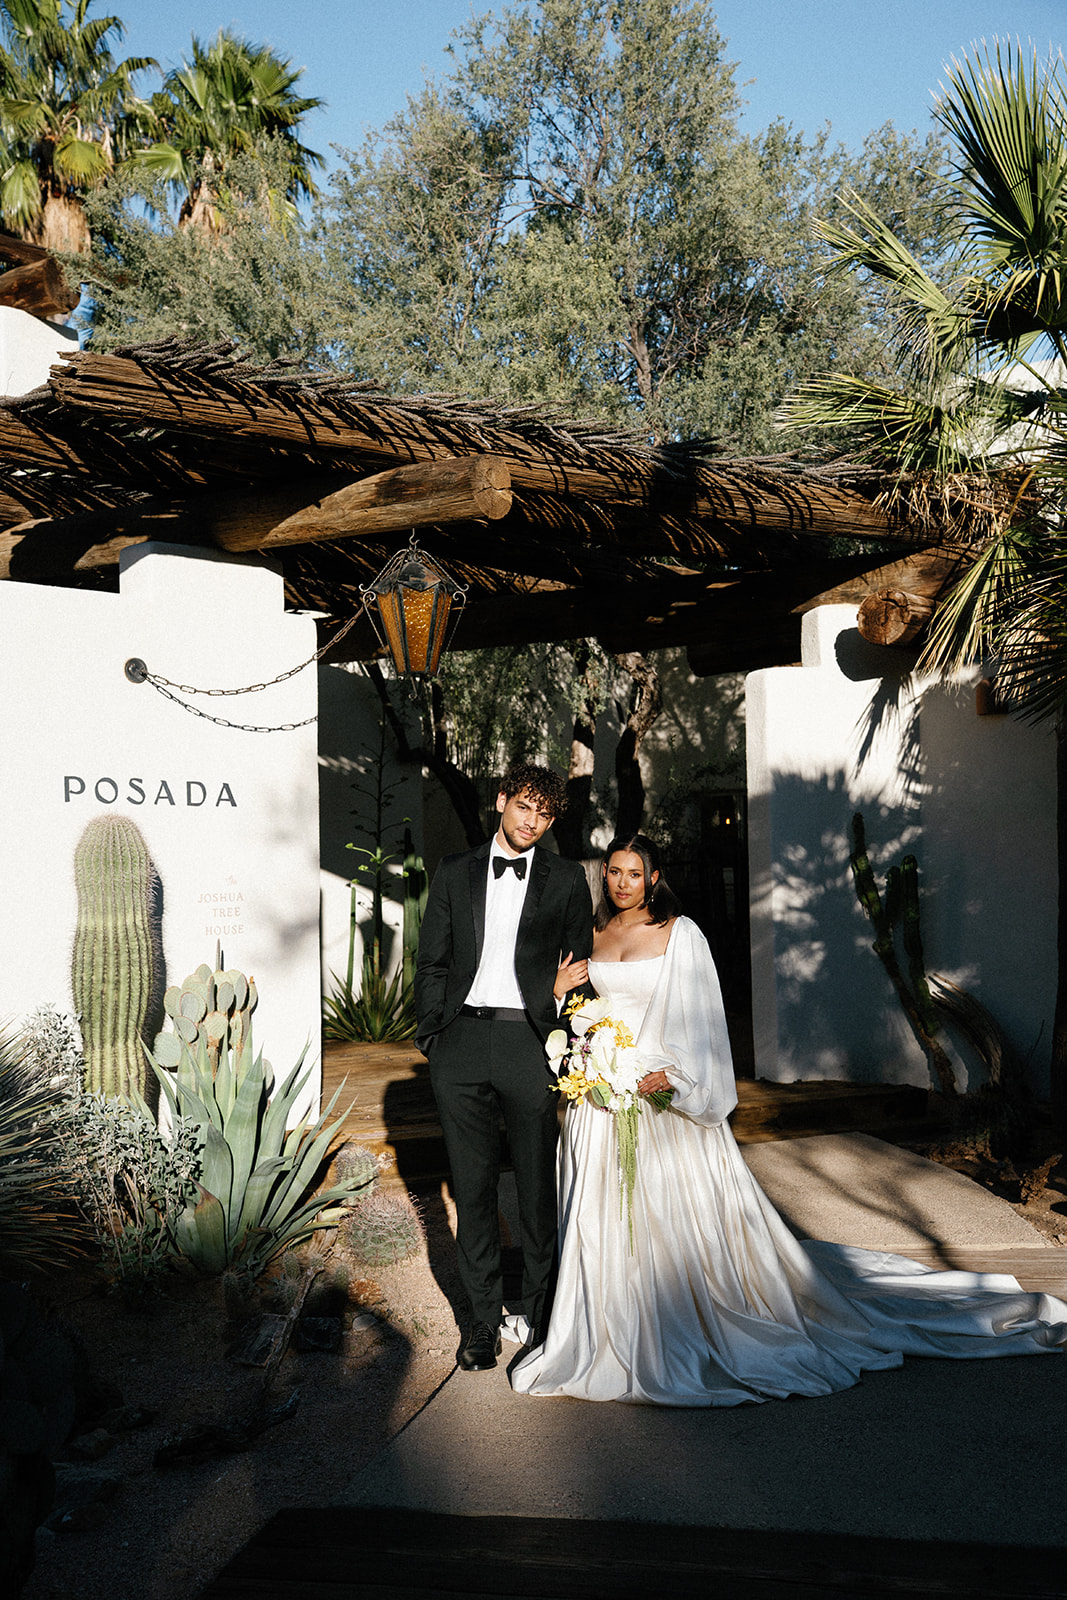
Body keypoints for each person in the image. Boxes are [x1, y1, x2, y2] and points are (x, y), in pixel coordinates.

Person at [511, 833, 1067, 1405]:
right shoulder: (594, 932)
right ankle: (605, 1323)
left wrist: (676, 1078)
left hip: (663, 1098)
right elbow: (576, 1011)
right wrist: (571, 1025)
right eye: (614, 872)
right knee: (602, 1217)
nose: (622, 883)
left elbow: (703, 1025)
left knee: (667, 1218)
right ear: (604, 875)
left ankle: (674, 1322)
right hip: (600, 1100)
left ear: (653, 878)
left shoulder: (682, 934)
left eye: (634, 873)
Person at [414, 762, 594, 1372]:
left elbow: (580, 976)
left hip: (530, 1045)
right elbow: (432, 961)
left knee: (538, 1192)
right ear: (501, 801)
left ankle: (543, 1317)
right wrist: (433, 1037)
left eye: (544, 815)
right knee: (474, 1188)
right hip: (460, 1042)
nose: (532, 822)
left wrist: (569, 1041)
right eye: (524, 807)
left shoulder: (568, 881)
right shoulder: (453, 871)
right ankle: (482, 1324)